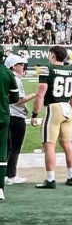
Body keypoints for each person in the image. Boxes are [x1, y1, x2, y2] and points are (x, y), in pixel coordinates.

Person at [31, 46, 72, 189]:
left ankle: (50, 179)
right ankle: (71, 177)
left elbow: (40, 94)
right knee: (68, 145)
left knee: (49, 145)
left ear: (52, 55)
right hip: (67, 108)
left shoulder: (46, 69)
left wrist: (34, 114)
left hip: (54, 108)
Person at [5, 54, 34, 185]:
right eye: (20, 64)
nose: (23, 66)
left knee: (7, 147)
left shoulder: (7, 77)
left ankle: (6, 174)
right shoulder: (15, 79)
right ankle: (11, 175)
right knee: (15, 148)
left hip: (8, 115)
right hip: (16, 115)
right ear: (13, 66)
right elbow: (19, 100)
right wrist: (34, 95)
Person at [0, 52, 19, 200]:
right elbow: (14, 98)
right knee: (1, 154)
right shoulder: (7, 73)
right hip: (2, 116)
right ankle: (0, 188)